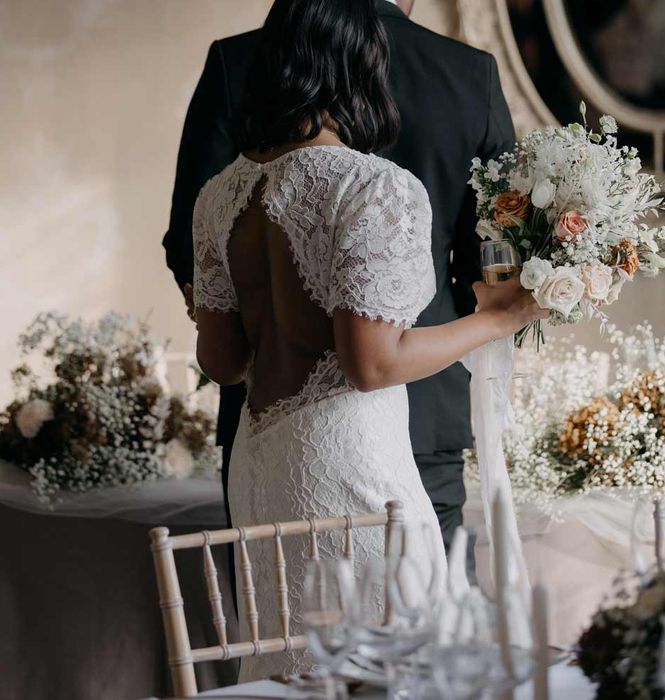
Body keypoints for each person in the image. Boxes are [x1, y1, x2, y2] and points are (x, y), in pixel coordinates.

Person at [190, 0, 545, 680]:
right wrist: (503, 317)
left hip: (260, 466)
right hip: (350, 469)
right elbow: (372, 364)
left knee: (290, 674)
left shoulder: (221, 196)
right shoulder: (374, 186)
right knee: (397, 672)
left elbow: (221, 361)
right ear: (359, 64)